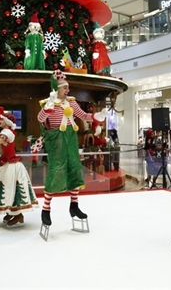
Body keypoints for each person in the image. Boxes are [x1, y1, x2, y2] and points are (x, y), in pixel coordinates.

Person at [36, 70, 107, 230]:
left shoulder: (72, 103)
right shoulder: (48, 103)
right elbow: (40, 119)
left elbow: (84, 116)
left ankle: (74, 205)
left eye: (68, 87)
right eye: (65, 88)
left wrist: (98, 116)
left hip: (71, 138)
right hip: (56, 139)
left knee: (75, 168)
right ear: (57, 89)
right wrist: (48, 108)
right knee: (57, 170)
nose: (68, 90)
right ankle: (46, 210)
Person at [0, 113, 39, 227]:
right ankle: (11, 211)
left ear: (7, 122)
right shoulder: (6, 133)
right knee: (8, 187)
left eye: (1, 120)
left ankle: (18, 214)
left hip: (11, 165)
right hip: (7, 164)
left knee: (10, 187)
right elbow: (0, 148)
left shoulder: (7, 132)